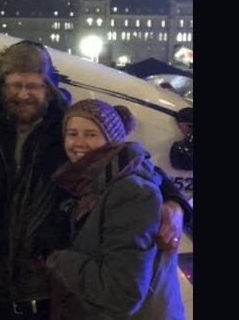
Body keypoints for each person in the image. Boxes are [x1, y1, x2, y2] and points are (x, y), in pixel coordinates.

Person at [0, 41, 190, 319]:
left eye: (33, 86)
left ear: (47, 87)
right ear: (2, 86)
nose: (23, 94)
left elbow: (132, 162)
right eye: (16, 85)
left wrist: (176, 203)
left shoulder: (65, 128)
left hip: (44, 283)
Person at [46, 99, 186, 320]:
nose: (79, 143)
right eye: (72, 134)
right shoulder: (82, 183)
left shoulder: (131, 192)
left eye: (91, 134)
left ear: (111, 140)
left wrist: (57, 261)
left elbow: (123, 293)